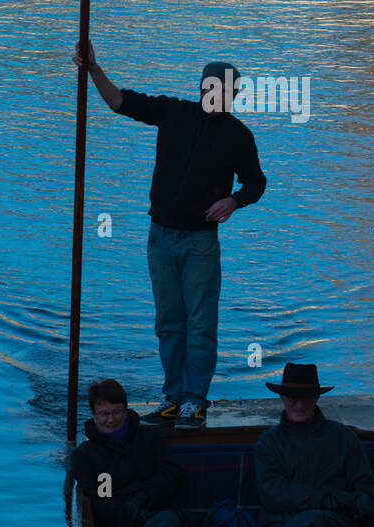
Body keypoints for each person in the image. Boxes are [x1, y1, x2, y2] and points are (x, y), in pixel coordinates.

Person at [72, 42, 267, 429]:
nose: (219, 96)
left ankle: (195, 400)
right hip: (161, 238)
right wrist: (93, 67)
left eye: (227, 91)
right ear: (202, 89)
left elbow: (256, 183)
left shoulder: (238, 136)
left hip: (201, 244)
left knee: (200, 324)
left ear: (234, 94)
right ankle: (173, 397)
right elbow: (119, 101)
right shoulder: (174, 113)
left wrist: (233, 200)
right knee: (168, 324)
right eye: (213, 89)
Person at [254, 363, 374, 527]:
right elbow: (272, 494)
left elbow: (366, 491)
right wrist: (329, 500)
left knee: (315, 523)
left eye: (305, 398)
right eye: (293, 398)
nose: (299, 405)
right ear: (282, 397)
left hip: (335, 522)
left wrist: (353, 505)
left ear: (316, 398)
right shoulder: (269, 442)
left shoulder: (344, 438)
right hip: (282, 522)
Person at [72, 378, 183, 527]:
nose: (111, 420)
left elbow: (171, 474)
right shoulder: (85, 455)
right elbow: (98, 499)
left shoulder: (151, 438)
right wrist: (127, 511)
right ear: (94, 416)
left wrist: (145, 497)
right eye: (104, 414)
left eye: (116, 412)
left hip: (156, 512)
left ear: (126, 411)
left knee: (167, 522)